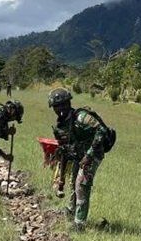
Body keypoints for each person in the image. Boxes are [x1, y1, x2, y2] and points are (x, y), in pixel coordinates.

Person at [48, 88, 113, 230]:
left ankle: (79, 223)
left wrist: (89, 155)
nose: (60, 109)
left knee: (82, 184)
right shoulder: (61, 127)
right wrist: (61, 179)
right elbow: (64, 151)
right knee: (73, 182)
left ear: (69, 103)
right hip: (78, 155)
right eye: (57, 106)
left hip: (93, 153)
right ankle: (71, 210)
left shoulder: (81, 117)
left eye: (63, 105)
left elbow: (101, 130)